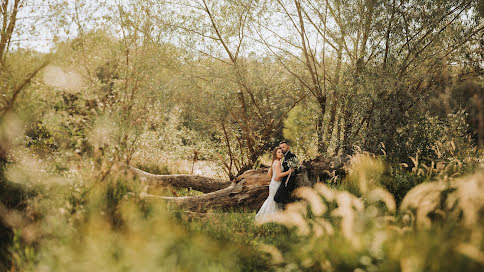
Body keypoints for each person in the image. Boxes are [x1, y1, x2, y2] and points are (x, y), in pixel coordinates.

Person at [255, 147, 294, 223]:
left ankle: (271, 217)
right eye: (278, 152)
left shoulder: (274, 161)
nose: (280, 154)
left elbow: (269, 174)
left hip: (273, 183)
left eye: (281, 152)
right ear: (275, 154)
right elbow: (279, 174)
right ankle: (271, 218)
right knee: (274, 201)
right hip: (276, 184)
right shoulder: (278, 162)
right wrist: (289, 171)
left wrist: (274, 178)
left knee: (271, 200)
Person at [274, 140, 298, 206]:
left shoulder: (292, 156)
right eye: (280, 148)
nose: (281, 149)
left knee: (277, 197)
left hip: (288, 182)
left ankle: (291, 204)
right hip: (283, 180)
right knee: (280, 197)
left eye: (283, 147)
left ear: (288, 147)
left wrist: (287, 182)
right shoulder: (283, 157)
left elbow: (293, 170)